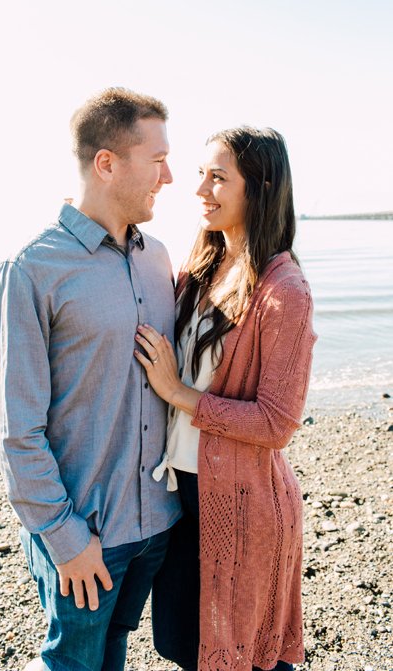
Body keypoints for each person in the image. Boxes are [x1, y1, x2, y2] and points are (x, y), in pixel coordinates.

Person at [0, 87, 181, 671]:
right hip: (85, 532)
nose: (169, 176)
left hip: (156, 525)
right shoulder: (31, 269)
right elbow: (16, 427)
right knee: (70, 663)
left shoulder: (159, 258)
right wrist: (66, 540)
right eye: (157, 158)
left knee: (113, 654)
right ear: (106, 163)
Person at [137, 127, 315, 671]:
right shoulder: (202, 265)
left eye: (219, 178)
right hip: (182, 495)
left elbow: (276, 424)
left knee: (240, 655)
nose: (201, 190)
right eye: (201, 175)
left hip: (243, 504)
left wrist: (178, 393)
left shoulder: (285, 291)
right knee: (180, 645)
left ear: (258, 189)